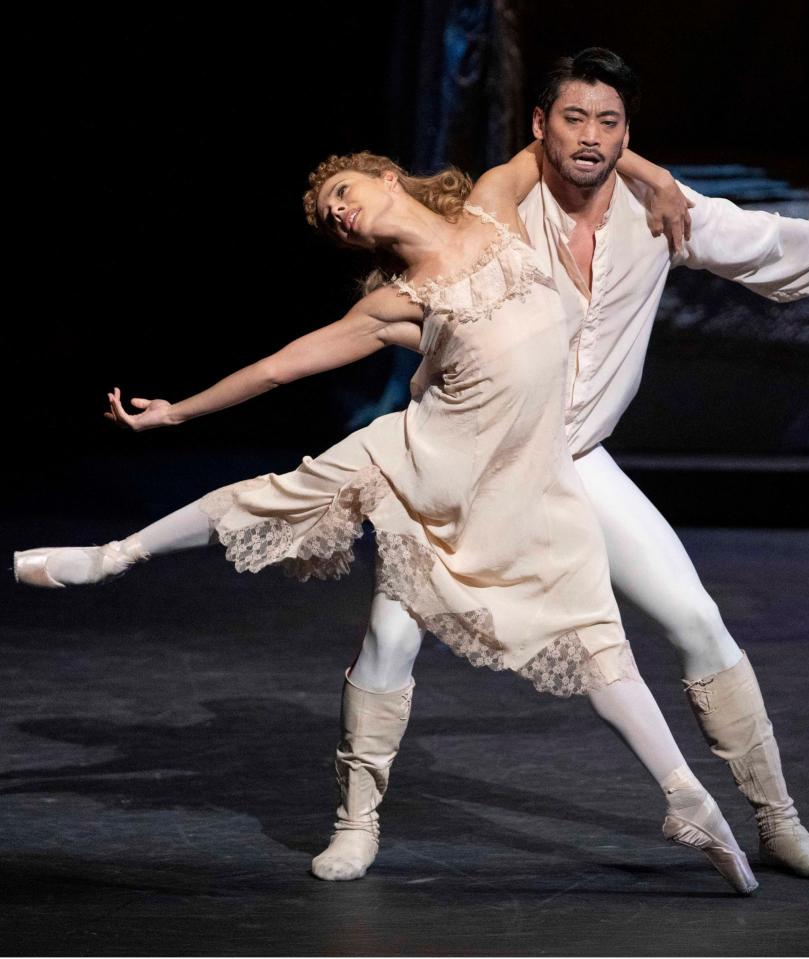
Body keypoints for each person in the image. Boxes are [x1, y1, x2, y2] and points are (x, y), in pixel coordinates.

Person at [13, 144, 761, 894]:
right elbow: (279, 367)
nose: (337, 212)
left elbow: (564, 137)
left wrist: (657, 181)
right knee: (331, 566)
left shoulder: (497, 205)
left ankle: (686, 799)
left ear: (386, 176)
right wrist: (174, 412)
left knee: (598, 643)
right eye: (331, 221)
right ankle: (117, 561)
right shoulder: (393, 303)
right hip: (418, 464)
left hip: (521, 489)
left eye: (341, 190)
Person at [328, 47, 809, 885]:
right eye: (573, 118)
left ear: (628, 132)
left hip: (574, 458)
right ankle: (356, 820)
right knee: (391, 639)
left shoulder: (661, 216)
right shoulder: (501, 213)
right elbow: (503, 187)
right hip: (466, 463)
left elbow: (762, 238)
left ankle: (780, 822)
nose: (591, 136)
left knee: (697, 620)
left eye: (610, 122)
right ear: (541, 126)